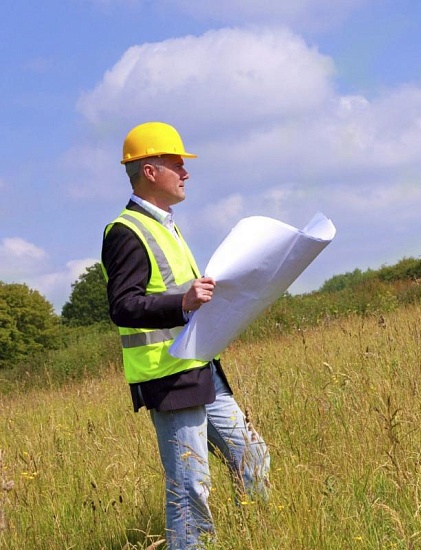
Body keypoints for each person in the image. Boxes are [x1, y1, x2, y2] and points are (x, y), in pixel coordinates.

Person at [101, 121, 270, 548]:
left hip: (200, 367)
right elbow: (123, 306)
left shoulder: (167, 225)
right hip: (167, 377)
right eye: (177, 163)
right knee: (190, 486)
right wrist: (183, 302)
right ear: (150, 171)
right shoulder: (125, 231)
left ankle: (262, 537)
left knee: (252, 457)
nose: (186, 171)